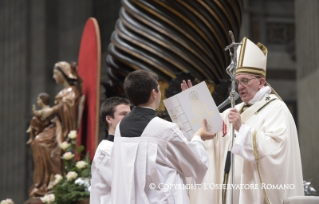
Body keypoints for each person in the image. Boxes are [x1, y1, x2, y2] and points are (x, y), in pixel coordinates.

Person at [182, 37, 303, 204]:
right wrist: (193, 105)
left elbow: (277, 150)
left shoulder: (277, 109)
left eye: (245, 81)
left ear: (261, 82)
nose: (240, 87)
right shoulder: (235, 110)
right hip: (230, 193)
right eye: (238, 82)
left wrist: (242, 129)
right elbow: (210, 134)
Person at [111, 70, 215, 204]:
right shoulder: (165, 129)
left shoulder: (120, 127)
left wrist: (188, 107)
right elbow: (196, 163)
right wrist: (198, 137)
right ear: (154, 93)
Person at [29, 61, 82, 197]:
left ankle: (54, 180)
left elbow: (69, 110)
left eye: (55, 73)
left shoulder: (72, 91)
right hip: (57, 125)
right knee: (38, 140)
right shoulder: (63, 92)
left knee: (41, 142)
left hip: (64, 129)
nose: (53, 77)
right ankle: (43, 183)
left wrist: (53, 110)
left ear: (63, 75)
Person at [90, 97, 131, 204]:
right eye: (123, 114)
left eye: (130, 114)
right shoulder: (106, 149)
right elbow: (124, 185)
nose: (129, 118)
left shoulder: (126, 145)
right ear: (109, 119)